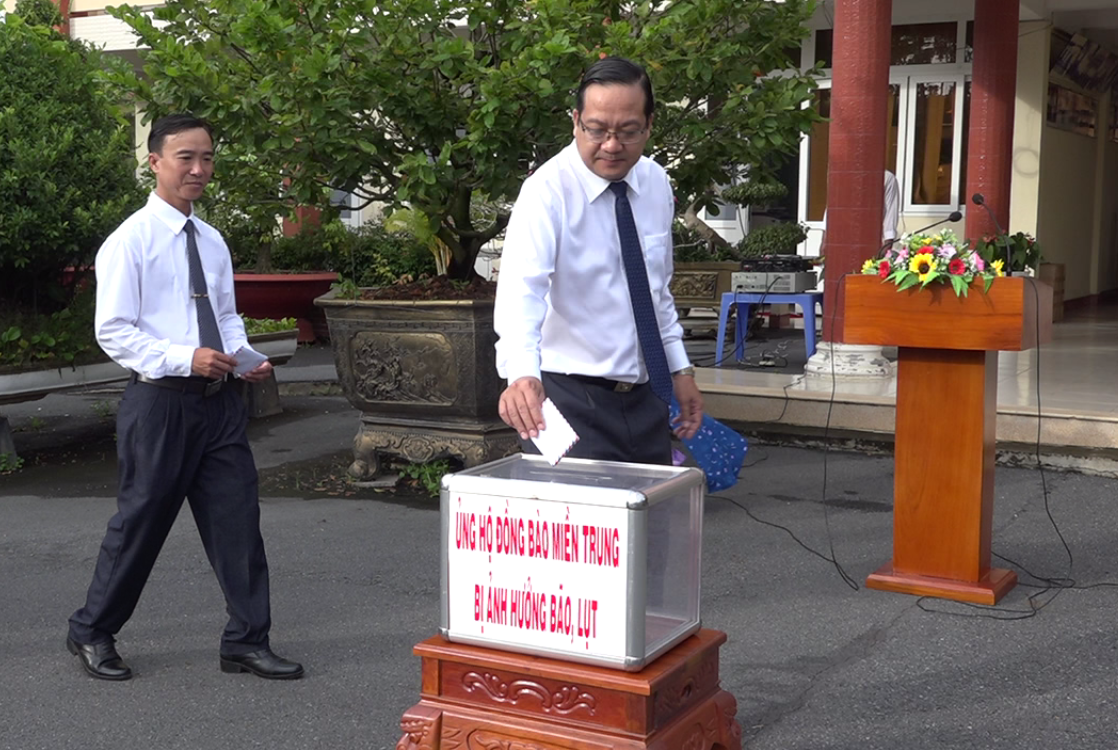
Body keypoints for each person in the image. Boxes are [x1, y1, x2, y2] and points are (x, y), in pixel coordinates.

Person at [66, 114, 303, 681]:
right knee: (141, 524)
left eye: (207, 158)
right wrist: (184, 357)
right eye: (186, 158)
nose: (199, 169)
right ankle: (92, 631)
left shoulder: (212, 240)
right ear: (155, 162)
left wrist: (243, 356)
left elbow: (224, 315)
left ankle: (246, 641)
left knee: (237, 523)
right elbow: (113, 331)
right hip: (160, 404)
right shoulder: (130, 241)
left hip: (219, 404)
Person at [494, 57, 703, 465]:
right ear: (576, 121)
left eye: (628, 131)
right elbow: (522, 293)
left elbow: (656, 291)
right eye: (597, 130)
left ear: (649, 125)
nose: (611, 145)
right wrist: (522, 375)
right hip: (567, 400)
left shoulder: (656, 183)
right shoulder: (547, 191)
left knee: (651, 506)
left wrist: (680, 370)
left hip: (647, 397)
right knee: (578, 507)